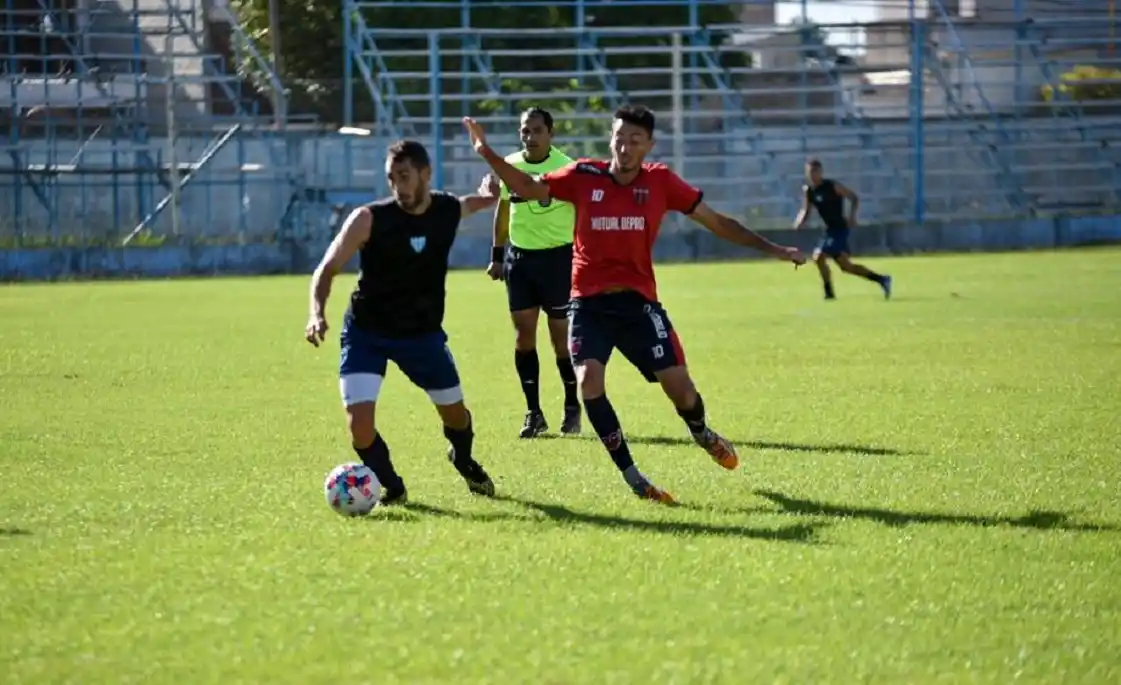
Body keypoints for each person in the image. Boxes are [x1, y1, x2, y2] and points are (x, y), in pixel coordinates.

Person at [462, 105, 807, 504]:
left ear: (649, 146)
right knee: (590, 382)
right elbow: (527, 186)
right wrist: (486, 151)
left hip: (639, 306)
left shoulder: (661, 182)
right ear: (611, 139)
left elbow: (717, 223)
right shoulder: (582, 176)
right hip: (588, 306)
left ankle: (701, 431)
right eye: (619, 138)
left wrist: (775, 249)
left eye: (635, 140)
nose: (624, 147)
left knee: (682, 392)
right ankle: (635, 479)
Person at [305, 140, 499, 506]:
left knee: (456, 417)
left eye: (405, 176)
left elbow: (468, 205)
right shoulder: (368, 218)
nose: (398, 186)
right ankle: (391, 486)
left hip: (421, 335)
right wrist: (317, 312)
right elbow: (328, 268)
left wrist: (488, 196)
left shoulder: (444, 209)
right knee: (359, 428)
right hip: (366, 334)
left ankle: (464, 458)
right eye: (392, 178)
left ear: (426, 174)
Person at [487, 107, 581, 439]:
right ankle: (534, 412)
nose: (530, 136)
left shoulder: (567, 168)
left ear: (550, 133)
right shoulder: (510, 166)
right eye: (525, 130)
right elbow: (502, 209)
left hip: (558, 261)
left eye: (537, 130)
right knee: (523, 337)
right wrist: (497, 255)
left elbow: (582, 212)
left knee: (560, 340)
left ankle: (572, 406)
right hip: (520, 261)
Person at [793, 159, 892, 300]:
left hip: (840, 229)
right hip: (828, 231)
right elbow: (806, 209)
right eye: (810, 172)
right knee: (846, 267)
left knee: (819, 257)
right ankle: (882, 279)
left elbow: (853, 198)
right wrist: (800, 220)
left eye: (815, 171)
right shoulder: (809, 191)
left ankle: (829, 293)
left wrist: (852, 217)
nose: (813, 175)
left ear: (821, 172)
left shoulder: (832, 186)